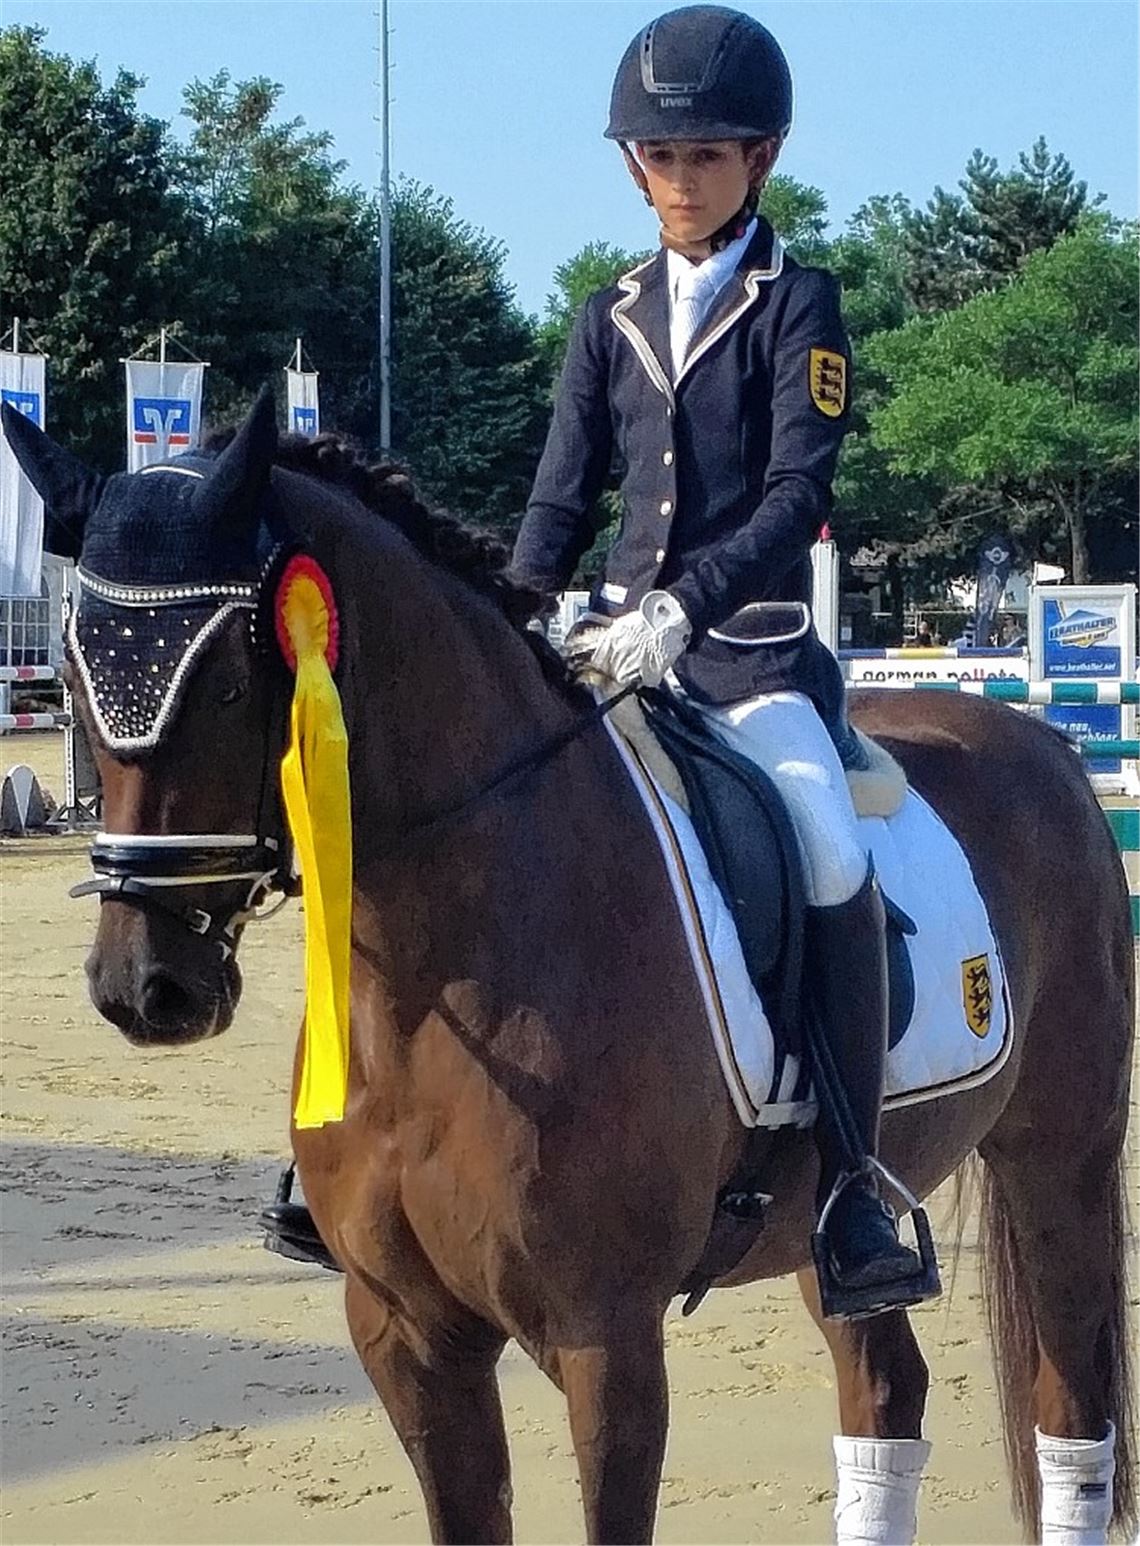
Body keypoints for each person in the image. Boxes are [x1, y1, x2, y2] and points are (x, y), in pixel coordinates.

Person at [509, 4, 931, 1315]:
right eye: (655, 156)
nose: (675, 181)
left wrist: (682, 610)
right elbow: (561, 491)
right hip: (611, 652)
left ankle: (857, 1180)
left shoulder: (799, 301)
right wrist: (518, 609)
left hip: (744, 656)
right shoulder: (608, 312)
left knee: (826, 843)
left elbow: (795, 491)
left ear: (761, 156)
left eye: (702, 157)